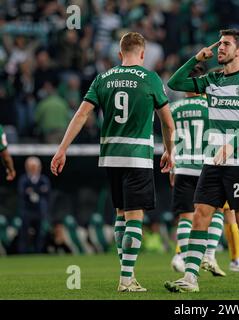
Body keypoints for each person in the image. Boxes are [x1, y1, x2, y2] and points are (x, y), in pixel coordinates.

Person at [50, 32, 175, 292]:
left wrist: (62, 149)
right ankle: (126, 279)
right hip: (137, 156)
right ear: (142, 54)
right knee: (135, 218)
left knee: (120, 215)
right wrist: (169, 151)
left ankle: (125, 274)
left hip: (110, 156)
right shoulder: (151, 78)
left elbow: (82, 114)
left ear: (120, 54)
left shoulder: (103, 78)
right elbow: (167, 121)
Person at [164, 29, 239, 293]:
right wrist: (196, 59)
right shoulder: (211, 78)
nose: (220, 48)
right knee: (200, 216)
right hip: (213, 161)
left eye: (226, 44)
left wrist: (230, 145)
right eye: (219, 44)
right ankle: (190, 278)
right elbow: (175, 83)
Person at [169, 62, 227, 277]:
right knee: (218, 210)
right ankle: (209, 255)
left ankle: (184, 258)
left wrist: (172, 166)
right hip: (207, 166)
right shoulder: (211, 106)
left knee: (186, 216)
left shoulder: (173, 109)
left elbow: (170, 139)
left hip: (182, 166)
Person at [18, 156, 51, 253]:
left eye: (35, 167)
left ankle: (38, 253)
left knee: (39, 234)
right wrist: (38, 190)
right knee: (24, 234)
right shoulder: (24, 179)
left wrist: (33, 191)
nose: (33, 169)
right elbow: (22, 193)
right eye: (31, 167)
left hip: (39, 211)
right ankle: (22, 254)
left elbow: (47, 192)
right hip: (27, 211)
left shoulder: (43, 179)